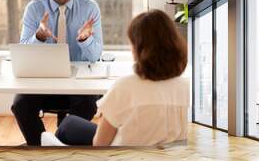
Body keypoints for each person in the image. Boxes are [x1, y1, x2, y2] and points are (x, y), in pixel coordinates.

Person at [54, 9, 190, 146]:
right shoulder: (187, 87)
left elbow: (99, 144)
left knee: (67, 126)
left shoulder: (125, 87)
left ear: (140, 48)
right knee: (70, 123)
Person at [11, 0, 103, 145]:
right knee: (20, 106)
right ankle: (41, 147)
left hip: (78, 79)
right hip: (44, 76)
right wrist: (38, 36)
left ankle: (62, 144)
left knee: (87, 105)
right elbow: (24, 50)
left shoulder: (89, 7)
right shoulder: (34, 8)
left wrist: (85, 40)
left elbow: (95, 56)